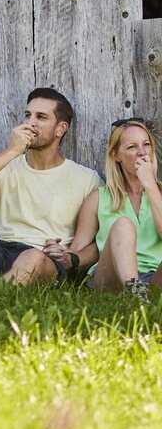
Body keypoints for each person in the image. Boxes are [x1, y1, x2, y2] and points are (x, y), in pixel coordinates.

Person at [0, 88, 100, 292]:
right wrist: (11, 151)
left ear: (61, 128)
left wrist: (72, 258)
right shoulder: (7, 165)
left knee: (32, 257)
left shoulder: (87, 179)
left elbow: (99, 242)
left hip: (43, 258)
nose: (30, 123)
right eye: (28, 115)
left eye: (41, 117)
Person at [51, 118, 162, 302]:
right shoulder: (98, 197)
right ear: (115, 155)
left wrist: (150, 186)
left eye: (146, 145)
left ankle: (144, 296)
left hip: (155, 278)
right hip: (111, 279)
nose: (142, 153)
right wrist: (63, 256)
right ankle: (137, 293)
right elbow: (77, 251)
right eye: (132, 147)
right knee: (123, 225)